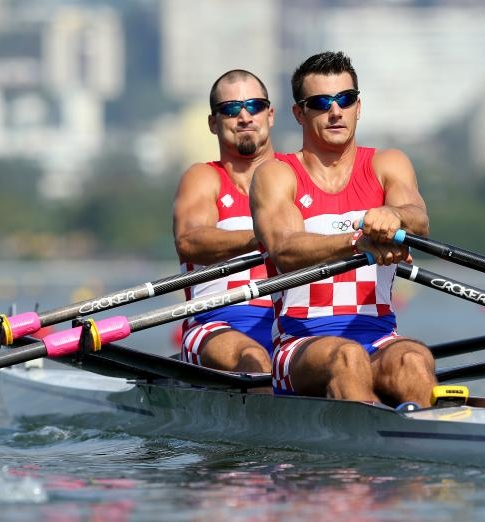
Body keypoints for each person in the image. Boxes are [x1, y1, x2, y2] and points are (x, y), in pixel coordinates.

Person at [250, 51, 437, 407]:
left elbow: (419, 219)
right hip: (299, 346)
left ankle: (419, 452)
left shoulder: (388, 163)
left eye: (345, 99)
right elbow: (286, 250)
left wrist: (394, 215)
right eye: (321, 102)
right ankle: (364, 456)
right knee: (347, 358)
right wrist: (357, 241)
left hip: (381, 338)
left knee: (414, 361)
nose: (336, 111)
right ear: (299, 113)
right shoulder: (276, 174)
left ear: (358, 107)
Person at [173, 69, 283, 373]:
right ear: (213, 123)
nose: (245, 117)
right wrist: (265, 237)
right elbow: (190, 240)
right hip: (216, 324)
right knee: (255, 358)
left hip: (293, 322)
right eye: (231, 109)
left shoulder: (297, 177)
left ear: (270, 114)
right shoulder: (203, 178)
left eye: (255, 106)